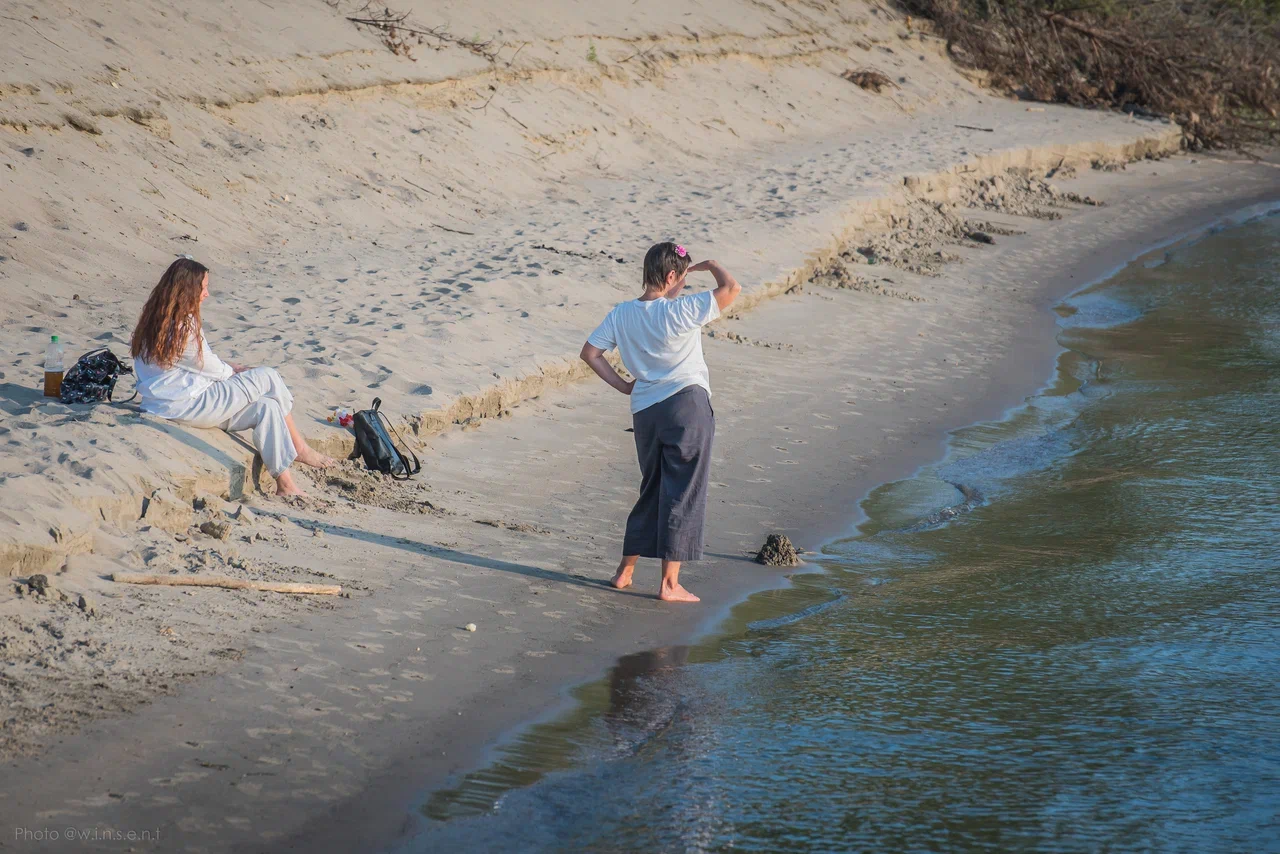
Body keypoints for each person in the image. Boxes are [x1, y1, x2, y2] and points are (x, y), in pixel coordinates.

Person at [580, 242, 742, 602]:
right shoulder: (682, 309)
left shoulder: (621, 314)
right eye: (682, 278)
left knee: (652, 487)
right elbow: (731, 288)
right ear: (671, 276)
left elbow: (590, 353)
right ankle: (670, 584)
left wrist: (624, 385)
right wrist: (713, 264)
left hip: (645, 412)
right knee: (683, 490)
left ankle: (625, 571)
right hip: (686, 405)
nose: (684, 285)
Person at [131, 257, 335, 497]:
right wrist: (236, 371)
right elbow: (213, 369)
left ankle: (285, 484)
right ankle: (299, 448)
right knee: (268, 376)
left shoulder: (157, 318)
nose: (206, 293)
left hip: (174, 403)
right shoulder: (181, 327)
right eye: (203, 287)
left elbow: (199, 364)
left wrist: (231, 368)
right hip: (187, 404)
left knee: (266, 407)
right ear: (187, 290)